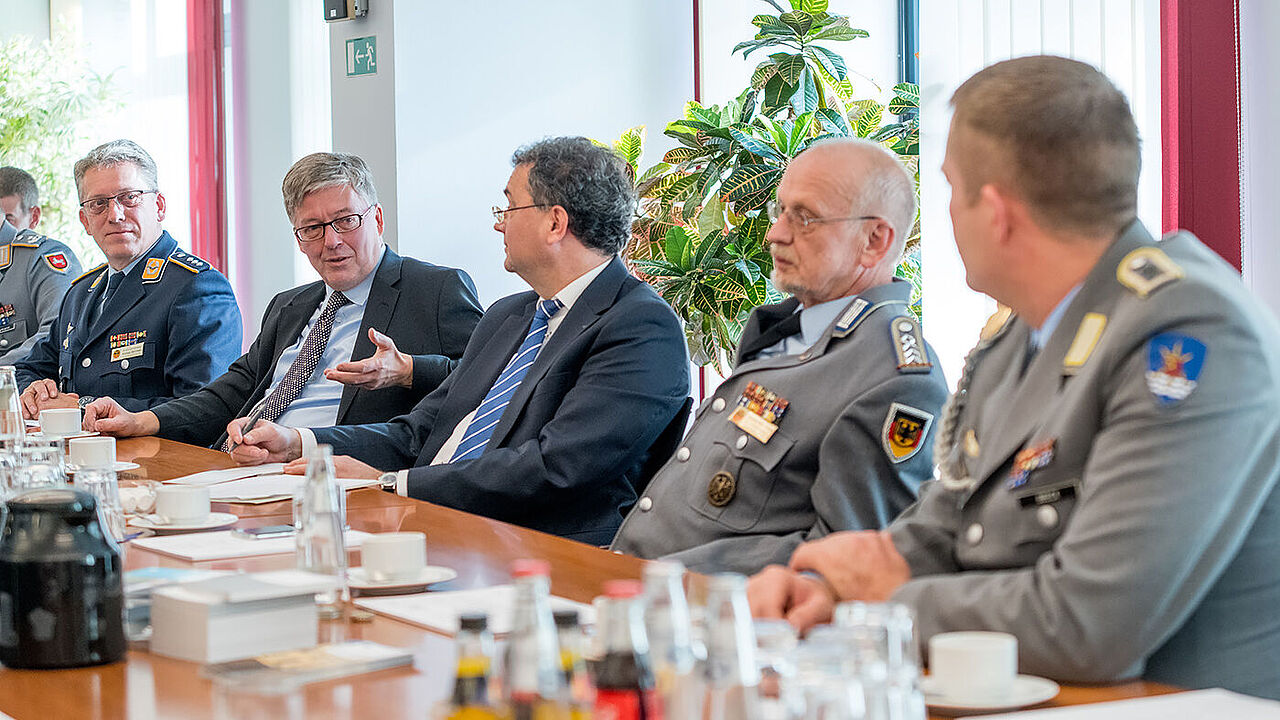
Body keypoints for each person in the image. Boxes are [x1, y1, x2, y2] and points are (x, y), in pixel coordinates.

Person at [746, 56, 1280, 699]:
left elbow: (1090, 624)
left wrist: (887, 603)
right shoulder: (1019, 334)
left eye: (949, 188)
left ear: (995, 212)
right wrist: (823, 590)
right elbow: (949, 523)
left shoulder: (1188, 333)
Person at [227, 137, 690, 545]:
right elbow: (419, 431)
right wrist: (299, 442)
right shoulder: (509, 316)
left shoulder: (640, 326)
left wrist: (393, 484)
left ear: (555, 223)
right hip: (426, 522)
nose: (498, 223)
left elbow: (556, 467)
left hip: (534, 546)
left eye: (509, 207)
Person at [610, 139, 947, 574]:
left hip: (714, 613)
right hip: (638, 589)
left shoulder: (894, 375)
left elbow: (845, 559)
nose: (776, 234)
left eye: (805, 218)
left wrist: (667, 577)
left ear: (874, 241)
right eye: (780, 210)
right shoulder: (787, 329)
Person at [82, 152, 484, 448]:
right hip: (239, 464)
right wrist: (143, 419)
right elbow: (231, 392)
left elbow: (489, 380)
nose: (332, 241)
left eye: (346, 221)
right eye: (312, 228)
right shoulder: (290, 305)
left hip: (335, 474)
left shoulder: (435, 290)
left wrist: (409, 369)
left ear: (377, 219)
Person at [15, 139, 241, 416]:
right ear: (85, 221)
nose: (115, 215)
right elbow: (30, 368)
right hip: (77, 455)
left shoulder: (196, 287)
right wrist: (35, 390)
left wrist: (83, 408)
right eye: (98, 204)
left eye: (129, 197)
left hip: (155, 457)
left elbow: (204, 409)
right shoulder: (81, 293)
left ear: (158, 206)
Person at [0, 166, 83, 364]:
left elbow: (60, 333)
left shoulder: (44, 257)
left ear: (34, 216)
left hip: (27, 389)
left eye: (9, 218)